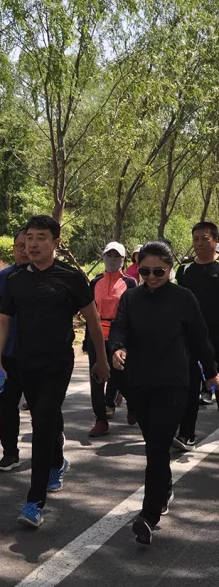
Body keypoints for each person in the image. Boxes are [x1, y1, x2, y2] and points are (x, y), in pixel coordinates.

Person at [0, 215, 110, 529]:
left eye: (41, 237)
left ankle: (34, 502)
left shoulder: (71, 277)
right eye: (29, 237)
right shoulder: (15, 279)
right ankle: (57, 460)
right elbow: (3, 320)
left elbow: (92, 319)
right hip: (24, 363)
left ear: (55, 243)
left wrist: (101, 360)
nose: (32, 244)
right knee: (46, 418)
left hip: (58, 364)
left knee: (41, 424)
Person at [110, 240, 219, 545]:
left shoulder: (184, 298)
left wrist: (211, 373)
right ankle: (165, 488)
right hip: (139, 383)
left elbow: (201, 339)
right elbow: (119, 328)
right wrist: (117, 348)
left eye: (159, 271)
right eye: (145, 271)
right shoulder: (131, 297)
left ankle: (148, 516)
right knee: (154, 445)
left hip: (173, 384)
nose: (152, 277)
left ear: (170, 269)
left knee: (156, 449)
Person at [0, 228, 29, 471]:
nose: (24, 250)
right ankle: (10, 453)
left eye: (27, 245)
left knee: (43, 408)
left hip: (36, 356)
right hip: (7, 353)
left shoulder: (46, 276)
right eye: (19, 246)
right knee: (7, 406)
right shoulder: (3, 277)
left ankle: (54, 447)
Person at [173, 221, 219, 451]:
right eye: (196, 239)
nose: (199, 243)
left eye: (204, 238)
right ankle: (186, 435)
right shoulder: (185, 269)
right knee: (189, 388)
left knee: (216, 382)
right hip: (189, 338)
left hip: (216, 337)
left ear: (215, 241)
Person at [84, 241, 137, 437]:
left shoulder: (130, 283)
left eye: (117, 256)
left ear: (123, 260)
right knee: (97, 378)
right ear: (103, 257)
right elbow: (89, 310)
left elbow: (133, 312)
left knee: (121, 377)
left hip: (119, 337)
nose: (112, 260)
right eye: (109, 255)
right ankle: (101, 420)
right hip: (97, 335)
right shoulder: (95, 281)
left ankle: (133, 405)